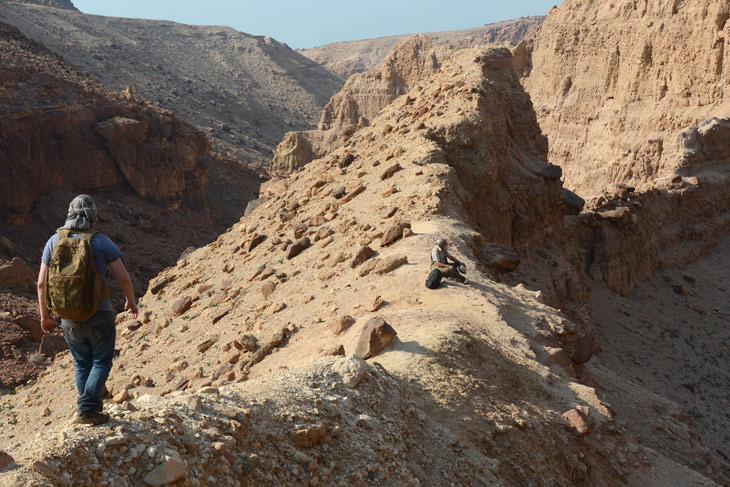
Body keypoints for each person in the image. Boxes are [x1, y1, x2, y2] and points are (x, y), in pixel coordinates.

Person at [37, 195, 138, 425]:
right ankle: (87, 409)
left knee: (82, 362)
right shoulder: (100, 241)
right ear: (92, 216)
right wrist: (131, 302)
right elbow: (123, 277)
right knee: (102, 361)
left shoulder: (54, 241)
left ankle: (88, 409)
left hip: (68, 317)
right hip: (99, 314)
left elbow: (41, 283)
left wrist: (45, 315)